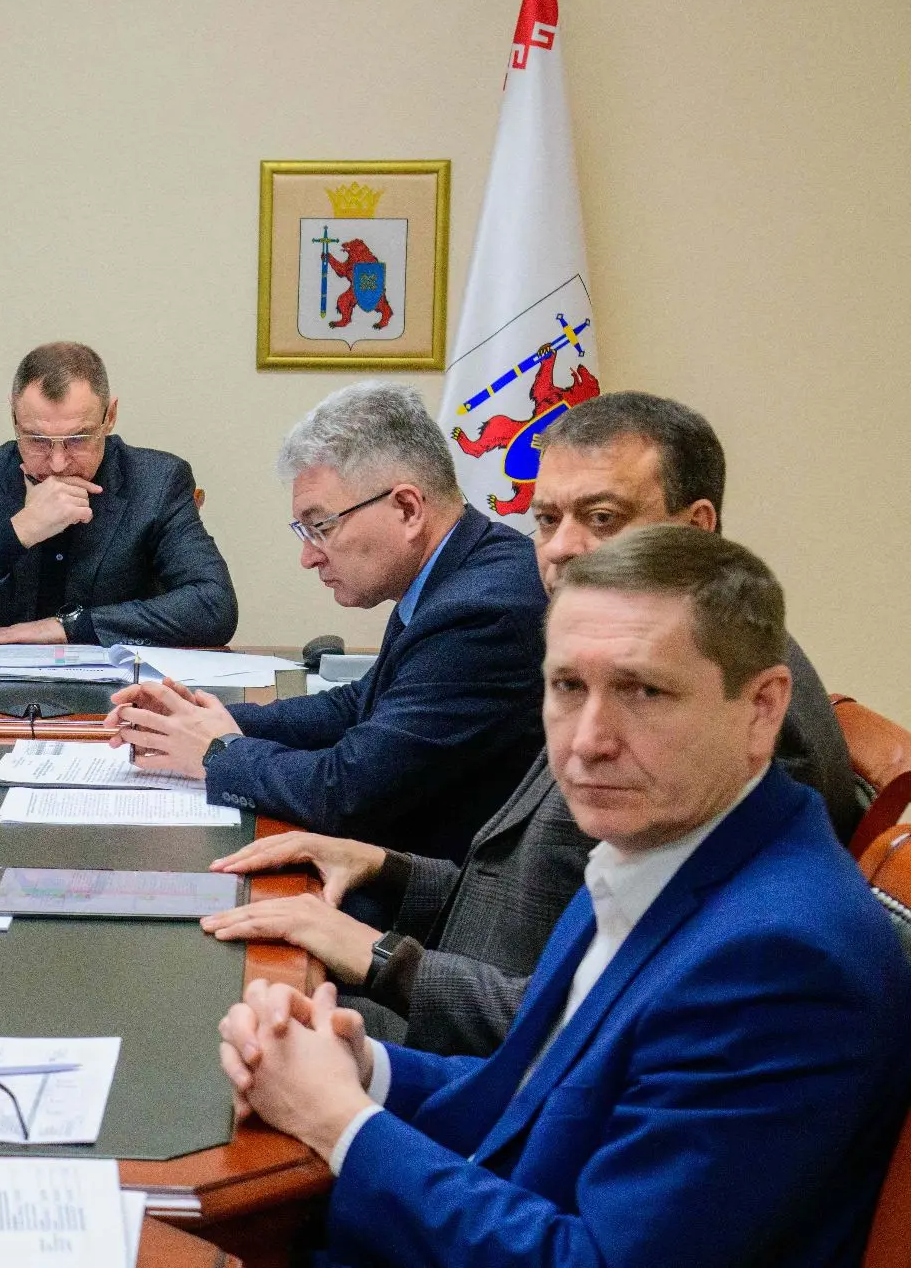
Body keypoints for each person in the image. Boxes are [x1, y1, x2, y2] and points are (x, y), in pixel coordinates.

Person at [217, 525, 911, 1268]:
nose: (587, 741)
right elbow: (536, 1092)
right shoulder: (654, 845)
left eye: (644, 690)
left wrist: (340, 1123)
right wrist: (364, 1069)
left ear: (763, 709)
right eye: (568, 687)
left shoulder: (782, 960)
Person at [199, 390, 863, 1056]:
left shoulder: (725, 711)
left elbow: (596, 1022)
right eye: (546, 519)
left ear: (695, 527)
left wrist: (378, 961)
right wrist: (384, 866)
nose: (561, 548)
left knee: (227, 1021)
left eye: (602, 518)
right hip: (465, 996)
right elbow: (535, 891)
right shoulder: (618, 658)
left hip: (482, 1051)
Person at [109, 380, 547, 861]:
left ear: (407, 509)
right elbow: (365, 703)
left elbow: (347, 793)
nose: (308, 557)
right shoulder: (458, 569)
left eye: (321, 527)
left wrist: (216, 752)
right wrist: (216, 719)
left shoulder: (482, 610)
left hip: (437, 892)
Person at [0, 341, 238, 647]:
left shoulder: (157, 482)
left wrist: (68, 628)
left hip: (116, 689)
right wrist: (19, 532)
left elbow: (215, 606)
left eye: (78, 439)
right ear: (14, 417)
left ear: (110, 416)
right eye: (37, 439)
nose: (57, 463)